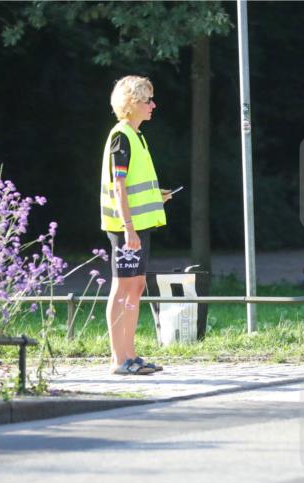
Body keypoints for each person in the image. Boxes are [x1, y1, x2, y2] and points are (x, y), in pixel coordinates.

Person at [100, 76, 176, 375]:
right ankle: (119, 359)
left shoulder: (137, 136)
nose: (153, 105)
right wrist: (128, 228)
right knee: (122, 288)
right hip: (126, 228)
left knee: (136, 286)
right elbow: (118, 186)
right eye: (147, 100)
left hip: (138, 226)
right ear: (131, 104)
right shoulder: (121, 137)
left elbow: (133, 185)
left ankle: (130, 355)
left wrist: (157, 196)